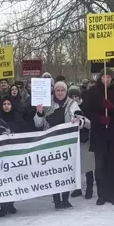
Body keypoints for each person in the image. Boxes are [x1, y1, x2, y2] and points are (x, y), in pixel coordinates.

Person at [34, 81, 84, 210]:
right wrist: (39, 113)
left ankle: (65, 199)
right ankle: (57, 200)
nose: (60, 92)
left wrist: (78, 120)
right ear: (54, 91)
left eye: (62, 90)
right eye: (58, 90)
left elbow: (83, 120)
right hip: (51, 143)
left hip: (67, 143)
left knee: (66, 171)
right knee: (54, 172)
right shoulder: (46, 104)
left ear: (66, 91)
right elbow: (38, 124)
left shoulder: (72, 104)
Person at [85, 68, 114, 206]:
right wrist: (99, 118)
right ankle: (101, 195)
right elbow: (87, 111)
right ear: (100, 77)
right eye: (104, 77)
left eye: (109, 77)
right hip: (99, 134)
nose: (107, 79)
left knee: (113, 166)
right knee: (100, 166)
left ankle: (113, 195)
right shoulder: (93, 91)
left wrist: (112, 107)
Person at [0, 96, 28, 216]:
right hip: (0, 155)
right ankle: (3, 205)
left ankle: (11, 203)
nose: (6, 106)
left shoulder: (18, 118)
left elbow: (25, 132)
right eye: (4, 104)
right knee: (2, 180)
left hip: (15, 154)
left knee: (13, 180)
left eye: (9, 104)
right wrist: (0, 134)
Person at [68, 86, 94, 199]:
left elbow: (91, 124)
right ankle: (77, 188)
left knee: (88, 166)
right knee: (76, 166)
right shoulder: (68, 108)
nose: (74, 98)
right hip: (74, 140)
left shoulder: (86, 106)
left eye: (76, 96)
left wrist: (82, 121)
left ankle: (89, 189)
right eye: (72, 96)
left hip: (85, 139)